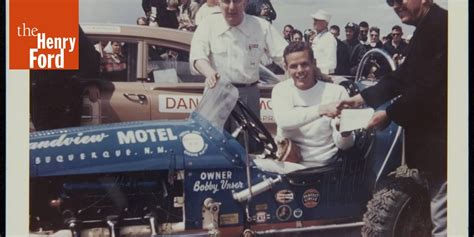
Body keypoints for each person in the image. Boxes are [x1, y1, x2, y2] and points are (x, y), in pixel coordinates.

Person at [337, 0, 447, 235]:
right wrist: (359, 99)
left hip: (445, 146)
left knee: (443, 221)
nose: (395, 5)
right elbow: (403, 77)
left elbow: (431, 88)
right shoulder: (426, 27)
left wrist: (388, 113)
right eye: (390, 1)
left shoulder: (441, 26)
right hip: (433, 149)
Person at [190, 0, 287, 119]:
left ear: (245, 3)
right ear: (219, 3)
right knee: (213, 136)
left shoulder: (261, 26)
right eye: (226, 1)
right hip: (216, 93)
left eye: (236, 1)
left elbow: (285, 56)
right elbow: (197, 56)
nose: (231, 7)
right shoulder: (207, 25)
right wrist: (209, 72)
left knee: (248, 137)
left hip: (248, 95)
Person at [272, 41, 355, 167]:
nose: (300, 70)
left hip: (323, 167)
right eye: (294, 66)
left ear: (314, 63)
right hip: (287, 163)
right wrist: (322, 110)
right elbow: (284, 121)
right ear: (286, 68)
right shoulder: (280, 90)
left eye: (304, 64)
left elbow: (345, 146)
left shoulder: (336, 92)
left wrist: (345, 134)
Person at [310, 9, 337, 74]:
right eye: (314, 20)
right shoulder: (317, 38)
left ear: (325, 23)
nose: (314, 22)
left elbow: (332, 64)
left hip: (323, 76)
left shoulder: (329, 38)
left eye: (317, 20)